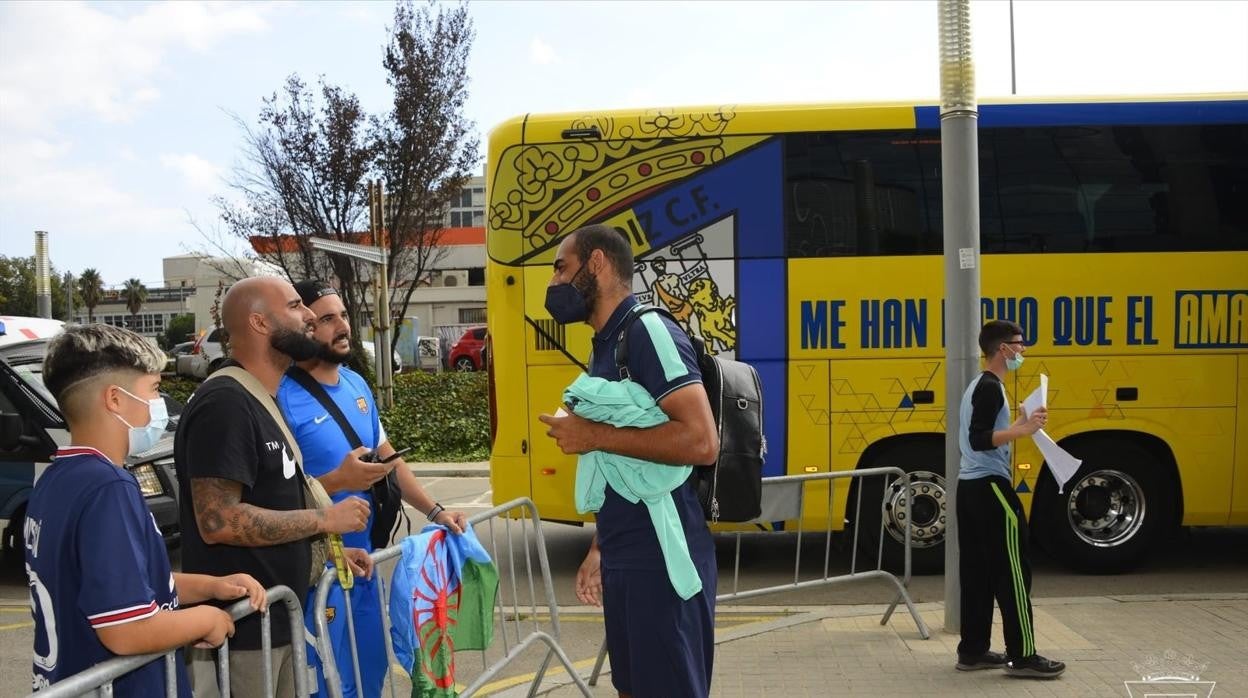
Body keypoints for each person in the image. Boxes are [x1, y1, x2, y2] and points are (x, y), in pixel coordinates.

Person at [27, 323, 266, 695]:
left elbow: (123, 584)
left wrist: (211, 587)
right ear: (115, 400)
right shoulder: (108, 487)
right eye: (154, 389)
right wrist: (205, 619)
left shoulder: (56, 479)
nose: (159, 402)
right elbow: (125, 629)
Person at [537, 224, 719, 698]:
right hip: (627, 554)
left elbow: (702, 441)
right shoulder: (606, 343)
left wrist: (591, 434)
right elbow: (626, 470)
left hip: (661, 558)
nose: (554, 284)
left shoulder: (648, 331)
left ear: (596, 263)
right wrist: (601, 548)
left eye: (561, 267)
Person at [175, 276, 374, 698]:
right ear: (260, 322)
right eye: (296, 306)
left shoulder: (263, 398)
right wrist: (326, 518)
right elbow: (218, 520)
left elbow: (271, 500)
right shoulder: (225, 403)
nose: (308, 317)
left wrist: (323, 552)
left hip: (277, 621)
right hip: (242, 634)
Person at [278, 279, 467, 697]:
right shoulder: (283, 397)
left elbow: (390, 460)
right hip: (319, 574)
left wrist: (437, 512)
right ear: (305, 326)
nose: (342, 326)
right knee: (327, 684)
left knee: (369, 678)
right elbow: (278, 496)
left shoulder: (357, 386)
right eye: (327, 319)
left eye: (343, 315)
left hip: (365, 568)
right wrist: (338, 483)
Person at [955, 320, 1065, 679]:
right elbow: (979, 439)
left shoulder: (979, 386)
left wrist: (1018, 422)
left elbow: (983, 434)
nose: (1023, 350)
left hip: (969, 488)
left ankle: (972, 651)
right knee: (1013, 571)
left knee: (977, 573)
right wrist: (1022, 429)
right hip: (990, 489)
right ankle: (1024, 655)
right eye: (1019, 344)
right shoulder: (990, 387)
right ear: (1003, 349)